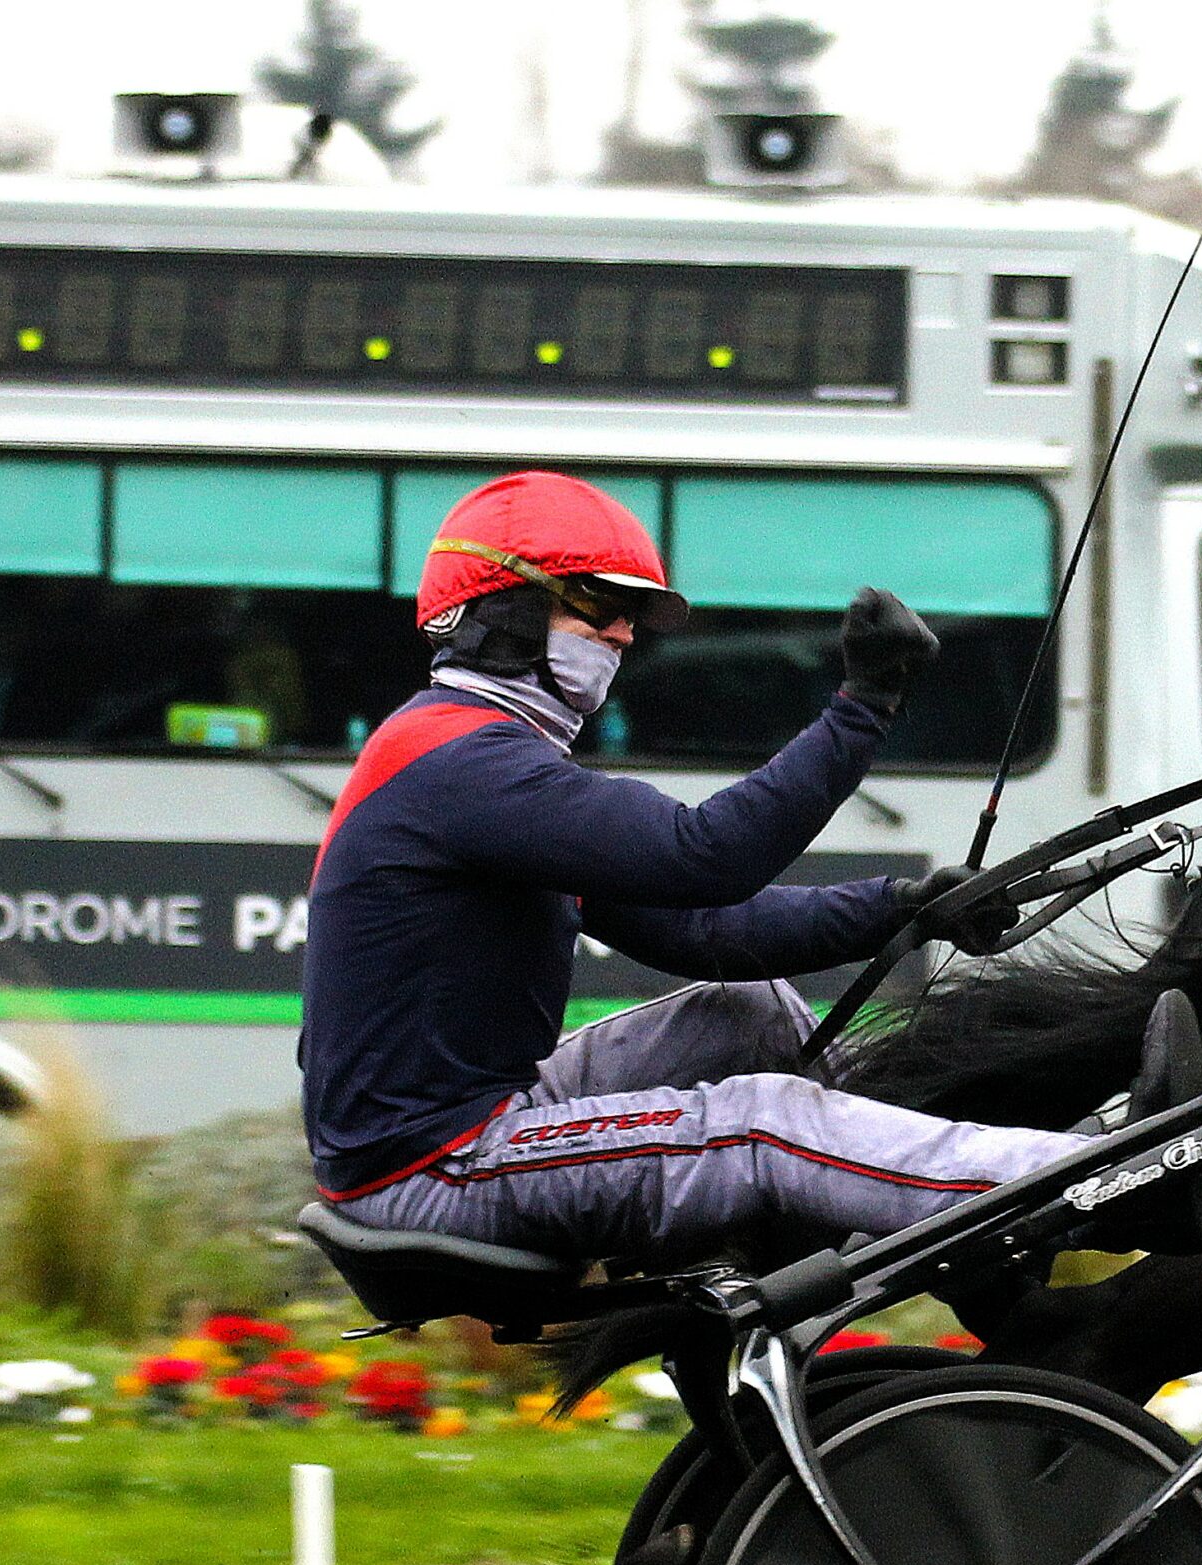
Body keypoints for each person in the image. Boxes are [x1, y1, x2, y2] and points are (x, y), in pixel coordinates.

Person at [300, 470, 1094, 1267]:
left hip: (473, 1124)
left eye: (630, 618)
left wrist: (902, 906)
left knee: (749, 1013)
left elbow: (704, 929)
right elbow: (708, 857)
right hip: (437, 1166)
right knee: (759, 1124)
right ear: (500, 613)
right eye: (599, 607)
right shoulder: (462, 761)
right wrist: (863, 705)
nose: (623, 635)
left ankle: (949, 1222)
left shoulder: (474, 756)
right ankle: (1073, 1186)